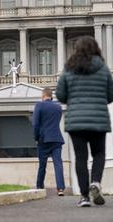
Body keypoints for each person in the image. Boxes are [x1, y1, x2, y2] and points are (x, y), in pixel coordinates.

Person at [56, 36, 113, 207]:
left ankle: (84, 197)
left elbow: (60, 95)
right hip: (98, 119)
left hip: (76, 120)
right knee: (99, 154)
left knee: (81, 157)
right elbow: (111, 96)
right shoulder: (103, 69)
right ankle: (95, 182)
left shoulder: (69, 69)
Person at [33, 87, 65, 196]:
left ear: (43, 95)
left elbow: (35, 124)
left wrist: (36, 138)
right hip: (56, 139)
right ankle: (60, 189)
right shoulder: (58, 108)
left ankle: (39, 186)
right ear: (51, 96)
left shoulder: (39, 106)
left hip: (43, 139)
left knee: (42, 165)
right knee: (58, 164)